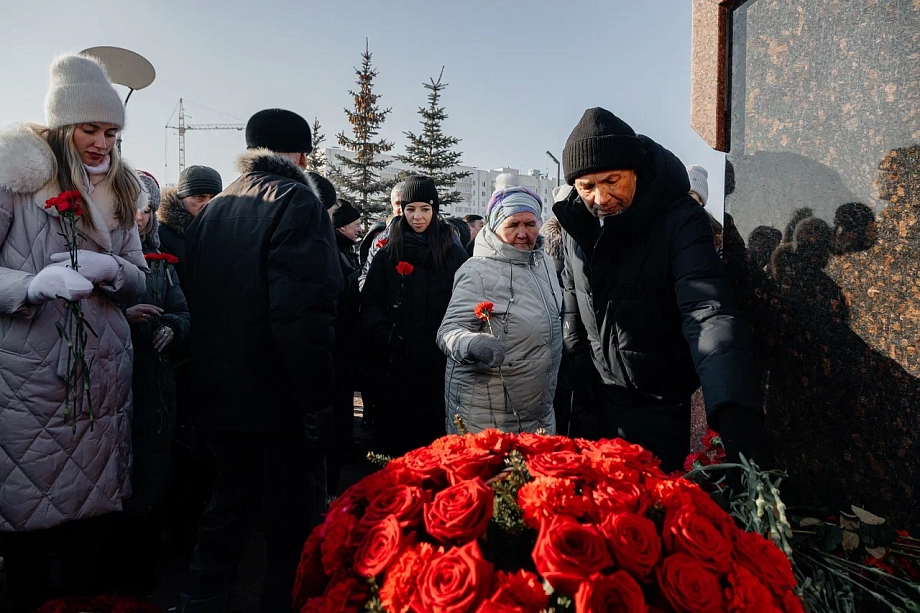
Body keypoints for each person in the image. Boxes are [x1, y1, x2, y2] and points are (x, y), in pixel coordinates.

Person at [0, 53, 147, 612]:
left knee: (92, 524)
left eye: (111, 131)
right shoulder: (15, 178)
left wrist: (114, 272)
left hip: (103, 388)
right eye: (90, 129)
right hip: (29, 386)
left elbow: (139, 277)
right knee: (31, 519)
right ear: (63, 126)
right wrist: (31, 285)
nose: (102, 143)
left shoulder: (121, 189)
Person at [182, 108, 342, 612]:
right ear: (299, 155)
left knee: (227, 506)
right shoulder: (297, 200)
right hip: (277, 398)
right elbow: (303, 315)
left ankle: (201, 600)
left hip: (217, 392)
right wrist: (317, 399)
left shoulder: (216, 206)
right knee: (291, 523)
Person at [553, 107, 766, 472]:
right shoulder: (578, 223)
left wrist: (732, 408)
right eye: (587, 187)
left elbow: (706, 310)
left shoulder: (680, 219)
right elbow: (573, 305)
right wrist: (577, 374)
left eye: (612, 181)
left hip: (659, 402)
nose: (600, 199)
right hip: (597, 399)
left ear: (635, 171)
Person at [114, 170, 191, 597]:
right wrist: (118, 321)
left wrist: (174, 329)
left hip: (153, 388)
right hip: (107, 387)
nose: (137, 220)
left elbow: (182, 311)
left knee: (149, 481)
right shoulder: (91, 253)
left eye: (145, 212)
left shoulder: (160, 264)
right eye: (131, 211)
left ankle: (143, 583)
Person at [438, 186, 561, 434]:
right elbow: (448, 331)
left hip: (538, 414)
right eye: (512, 224)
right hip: (486, 418)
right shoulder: (477, 271)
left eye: (529, 223)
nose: (522, 233)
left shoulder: (544, 264)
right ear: (494, 226)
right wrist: (473, 344)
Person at [361, 175, 468, 455]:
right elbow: (370, 300)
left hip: (439, 358)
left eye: (424, 209)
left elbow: (466, 297)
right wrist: (384, 333)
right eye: (410, 210)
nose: (417, 217)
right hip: (397, 359)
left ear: (435, 210)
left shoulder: (452, 252)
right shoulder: (388, 252)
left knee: (434, 440)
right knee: (398, 439)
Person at [329, 198, 362, 493]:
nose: (360, 228)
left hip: (343, 342)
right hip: (336, 343)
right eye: (356, 224)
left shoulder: (345, 250)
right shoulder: (335, 252)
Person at [157, 165, 222, 289]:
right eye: (199, 197)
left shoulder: (226, 232)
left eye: (214, 198)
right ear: (182, 198)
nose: (207, 204)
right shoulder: (162, 235)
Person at [358, 181, 404, 290]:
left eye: (405, 203)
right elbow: (365, 275)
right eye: (398, 204)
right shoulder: (380, 239)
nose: (402, 208)